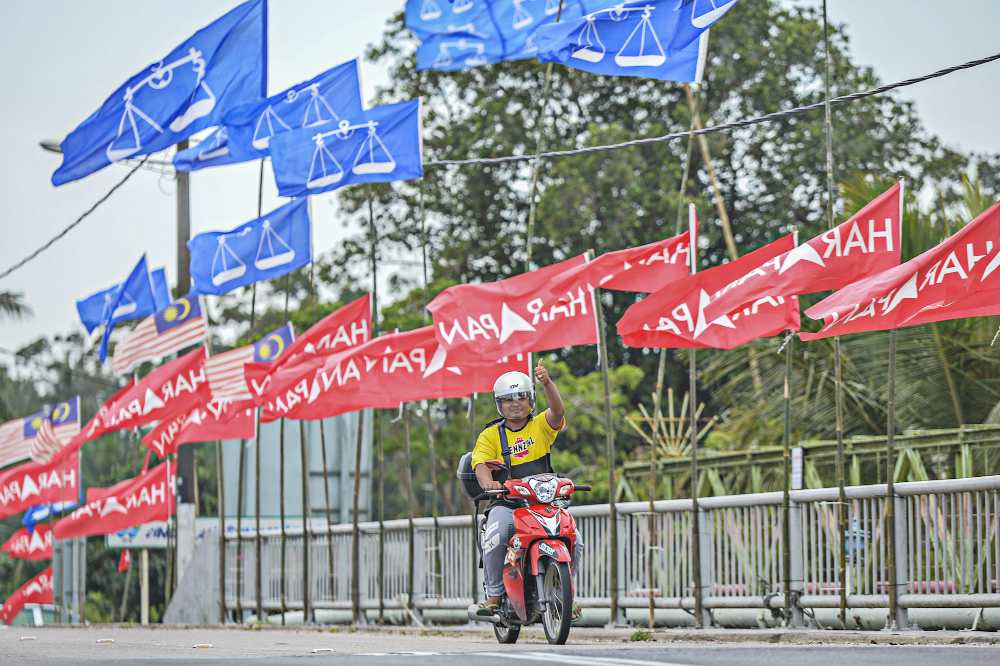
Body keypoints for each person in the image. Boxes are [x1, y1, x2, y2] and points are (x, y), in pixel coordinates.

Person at [471, 357, 582, 621]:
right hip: (507, 504)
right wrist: (489, 483)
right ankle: (495, 597)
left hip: (544, 503)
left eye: (521, 397)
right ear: (500, 404)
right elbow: (480, 464)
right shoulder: (490, 435)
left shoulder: (540, 425)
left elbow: (558, 412)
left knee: (576, 539)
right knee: (496, 537)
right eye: (508, 399)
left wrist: (547, 382)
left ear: (530, 399)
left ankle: (564, 594)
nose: (516, 403)